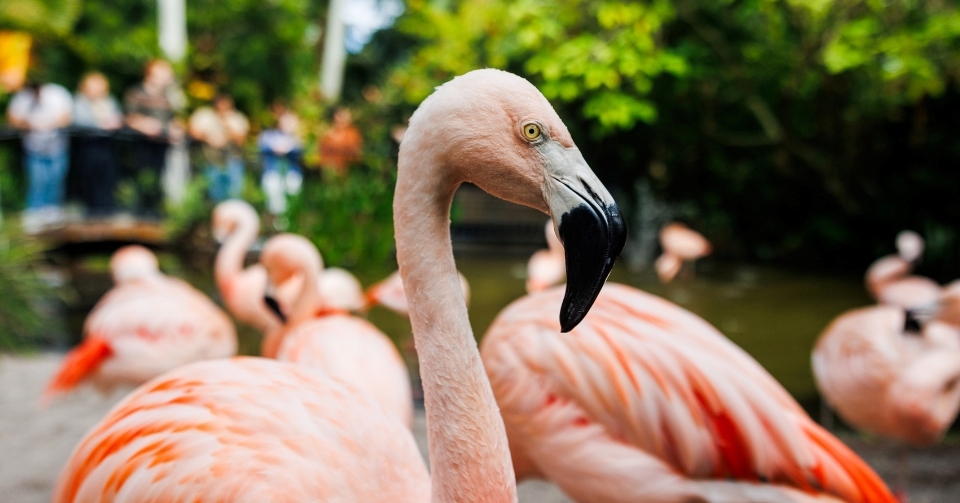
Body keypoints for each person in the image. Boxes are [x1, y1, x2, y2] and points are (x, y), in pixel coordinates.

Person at [6, 80, 73, 231]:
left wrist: (48, 124)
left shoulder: (57, 93)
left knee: (55, 179)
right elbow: (12, 119)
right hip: (34, 147)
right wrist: (30, 124)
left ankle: (52, 214)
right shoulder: (23, 98)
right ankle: (34, 216)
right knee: (37, 181)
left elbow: (67, 117)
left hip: (56, 146)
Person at [125, 59, 182, 217]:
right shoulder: (137, 93)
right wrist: (144, 124)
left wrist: (174, 128)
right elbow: (129, 117)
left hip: (161, 145)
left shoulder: (167, 97)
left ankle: (155, 211)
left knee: (158, 178)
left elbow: (171, 119)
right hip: (141, 145)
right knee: (142, 178)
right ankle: (139, 212)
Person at [72, 72, 123, 217]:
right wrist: (101, 125)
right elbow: (79, 121)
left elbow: (117, 117)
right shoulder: (80, 102)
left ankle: (107, 210)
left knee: (106, 178)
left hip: (106, 147)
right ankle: (90, 212)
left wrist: (114, 123)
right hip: (88, 146)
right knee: (89, 179)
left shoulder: (109, 101)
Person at [188, 94, 249, 202]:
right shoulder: (205, 115)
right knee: (213, 191)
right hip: (210, 160)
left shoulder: (237, 118)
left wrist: (227, 128)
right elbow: (193, 132)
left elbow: (242, 141)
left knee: (234, 191)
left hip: (232, 160)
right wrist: (209, 138)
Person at [258, 110, 303, 215]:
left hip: (291, 173)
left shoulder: (297, 138)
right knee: (274, 200)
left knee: (292, 198)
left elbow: (299, 151)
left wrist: (289, 148)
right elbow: (263, 147)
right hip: (272, 172)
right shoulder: (268, 135)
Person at [318, 107, 362, 175]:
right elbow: (322, 154)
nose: (343, 118)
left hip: (349, 172)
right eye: (340, 115)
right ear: (335, 116)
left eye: (345, 115)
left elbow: (355, 153)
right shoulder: (327, 134)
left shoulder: (353, 133)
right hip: (330, 171)